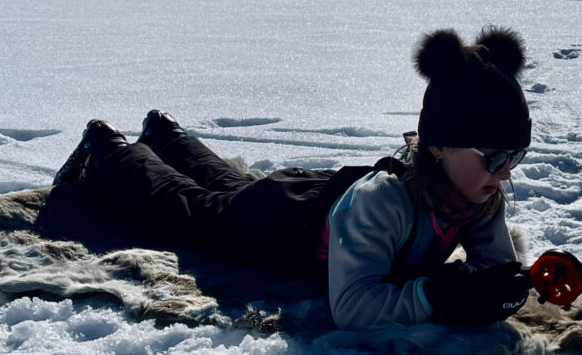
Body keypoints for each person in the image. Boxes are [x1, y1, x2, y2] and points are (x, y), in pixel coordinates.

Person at [54, 27, 533, 330]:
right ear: (439, 145)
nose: (505, 171)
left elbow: (494, 273)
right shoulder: (387, 201)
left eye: (514, 156)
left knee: (228, 186)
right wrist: (441, 295)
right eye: (493, 156)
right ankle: (108, 149)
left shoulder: (477, 195)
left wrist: (508, 285)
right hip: (277, 226)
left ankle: (166, 135)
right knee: (191, 209)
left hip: (312, 197)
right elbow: (353, 307)